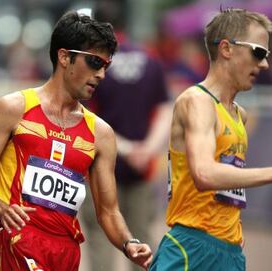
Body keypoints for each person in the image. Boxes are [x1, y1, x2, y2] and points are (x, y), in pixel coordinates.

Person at [0, 11, 153, 271]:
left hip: (66, 253)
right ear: (64, 57)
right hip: (19, 244)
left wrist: (129, 243)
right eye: (95, 62)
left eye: (106, 66)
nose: (102, 75)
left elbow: (108, 212)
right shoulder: (13, 108)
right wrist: (1, 210)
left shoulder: (101, 134)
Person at [150, 8, 272, 271]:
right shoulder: (197, 101)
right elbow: (204, 174)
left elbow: (226, 186)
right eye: (258, 52)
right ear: (226, 49)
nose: (264, 64)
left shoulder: (240, 114)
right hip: (192, 249)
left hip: (230, 251)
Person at [81, 2, 171, 270]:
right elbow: (165, 108)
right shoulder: (151, 59)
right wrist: (147, 150)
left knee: (100, 238)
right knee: (142, 241)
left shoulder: (93, 64)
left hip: (98, 166)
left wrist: (128, 149)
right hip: (142, 169)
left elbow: (87, 117)